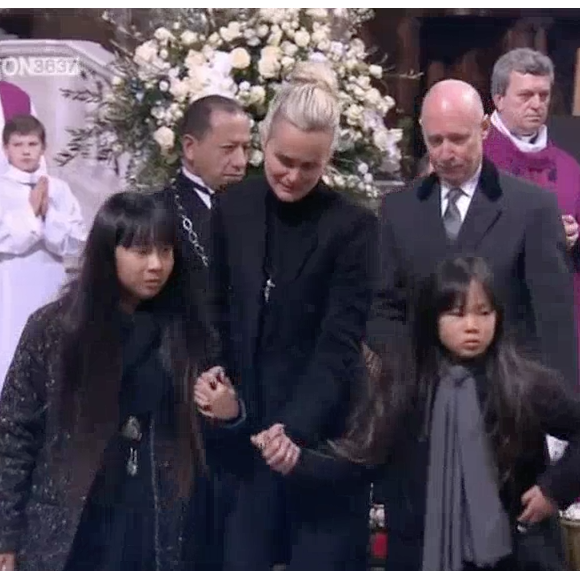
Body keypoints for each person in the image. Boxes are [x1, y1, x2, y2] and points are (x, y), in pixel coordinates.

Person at [261, 255, 580, 570]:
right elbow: (361, 459)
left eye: (484, 313)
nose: (472, 326)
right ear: (431, 319)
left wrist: (554, 489)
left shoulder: (524, 382)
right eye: (457, 314)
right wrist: (297, 460)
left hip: (513, 554)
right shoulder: (405, 386)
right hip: (421, 553)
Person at [0, 192, 244, 571]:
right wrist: (6, 535)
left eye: (165, 251)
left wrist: (228, 414)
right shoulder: (54, 329)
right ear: (107, 252)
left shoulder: (190, 333)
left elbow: (214, 443)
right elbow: (14, 433)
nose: (156, 265)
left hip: (158, 520)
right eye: (141, 251)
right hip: (71, 519)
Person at [199, 60, 378, 570]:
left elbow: (339, 344)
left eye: (309, 165)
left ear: (328, 159)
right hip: (241, 435)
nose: (293, 176)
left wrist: (293, 428)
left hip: (316, 440)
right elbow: (214, 309)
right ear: (264, 141)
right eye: (283, 159)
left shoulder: (353, 228)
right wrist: (216, 382)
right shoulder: (232, 209)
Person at [366, 78, 578, 392]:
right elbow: (382, 308)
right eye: (435, 141)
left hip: (508, 402)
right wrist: (414, 367)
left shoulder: (532, 208)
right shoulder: (398, 209)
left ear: (483, 129)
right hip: (421, 400)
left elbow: (554, 323)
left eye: (458, 139)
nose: (446, 152)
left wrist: (565, 424)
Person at [483, 48, 580, 378]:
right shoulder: (474, 159)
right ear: (498, 98)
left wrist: (574, 237)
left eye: (543, 95)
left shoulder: (569, 167)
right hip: (495, 310)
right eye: (525, 95)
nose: (537, 104)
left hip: (557, 317)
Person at [0, 114, 86, 389]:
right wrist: (30, 214)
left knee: (51, 343)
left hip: (50, 276)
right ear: (5, 149)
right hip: (12, 280)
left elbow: (76, 240)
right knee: (11, 343)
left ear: (43, 148)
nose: (26, 151)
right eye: (18, 144)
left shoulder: (59, 189)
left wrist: (50, 215)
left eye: (32, 144)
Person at [154, 95, 251, 273]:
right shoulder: (156, 213)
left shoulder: (258, 208)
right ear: (190, 148)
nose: (241, 162)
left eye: (245, 148)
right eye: (229, 148)